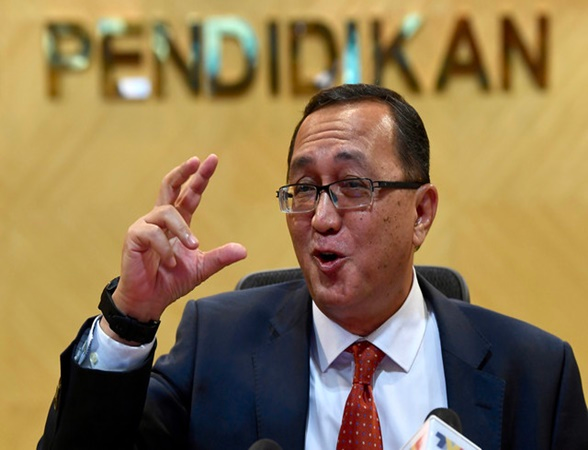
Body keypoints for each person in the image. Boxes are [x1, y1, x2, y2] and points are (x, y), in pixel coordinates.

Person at [39, 84, 588, 450]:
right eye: (304, 190)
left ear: (421, 213)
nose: (322, 218)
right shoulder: (217, 347)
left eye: (352, 186)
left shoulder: (536, 373)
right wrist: (130, 319)